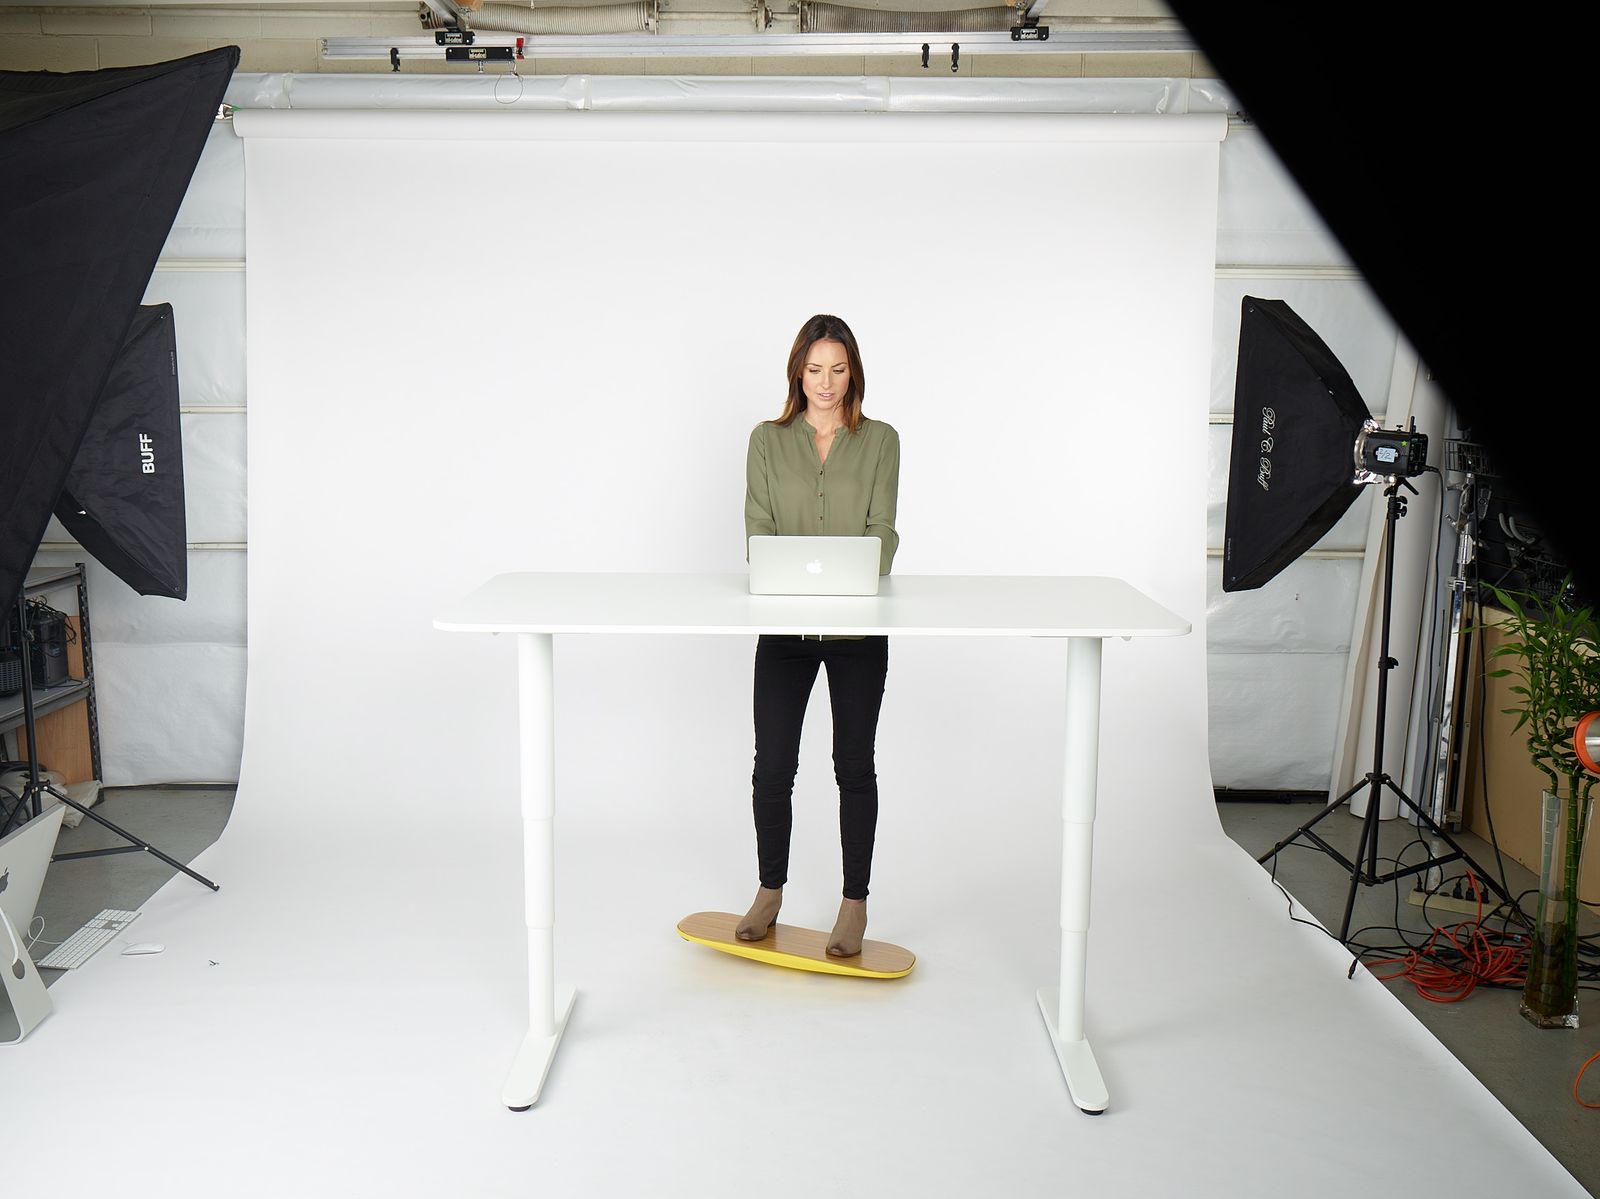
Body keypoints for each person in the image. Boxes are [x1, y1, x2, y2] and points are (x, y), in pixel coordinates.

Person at [737, 314, 900, 957]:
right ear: (796, 372)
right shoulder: (766, 441)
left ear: (852, 371)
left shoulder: (881, 440)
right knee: (773, 765)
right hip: (785, 627)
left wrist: (857, 563)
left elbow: (882, 535)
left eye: (838, 369)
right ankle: (769, 891)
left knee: (852, 765)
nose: (826, 383)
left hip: (859, 632)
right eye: (814, 370)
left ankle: (853, 902)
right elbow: (758, 534)